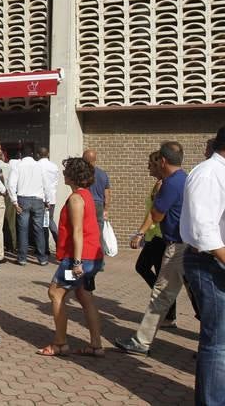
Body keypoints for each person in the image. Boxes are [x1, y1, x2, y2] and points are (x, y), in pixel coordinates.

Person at [116, 141, 187, 356]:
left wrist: (140, 232)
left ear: (163, 161)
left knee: (161, 293)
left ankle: (142, 341)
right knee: (199, 297)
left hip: (177, 247)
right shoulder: (186, 178)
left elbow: (157, 214)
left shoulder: (170, 183)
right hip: (190, 246)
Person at [36, 157, 105, 357]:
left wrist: (76, 263)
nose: (63, 175)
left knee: (55, 293)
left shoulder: (76, 199)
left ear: (73, 176)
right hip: (92, 255)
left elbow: (77, 232)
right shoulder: (86, 195)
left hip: (80, 258)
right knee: (84, 296)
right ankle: (96, 345)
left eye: (66, 172)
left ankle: (59, 343)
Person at [180, 126, 225, 405]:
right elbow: (203, 231)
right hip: (209, 263)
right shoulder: (209, 174)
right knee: (218, 342)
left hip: (216, 260)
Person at [130, 151, 176, 327]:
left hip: (160, 237)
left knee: (152, 272)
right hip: (153, 236)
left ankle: (168, 314)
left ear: (160, 164)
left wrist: (140, 233)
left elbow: (156, 213)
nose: (148, 166)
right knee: (149, 271)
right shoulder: (157, 184)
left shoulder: (163, 185)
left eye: (151, 164)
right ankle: (168, 311)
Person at [8, 146, 50, 266]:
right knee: (39, 229)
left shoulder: (17, 165)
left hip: (23, 199)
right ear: (33, 154)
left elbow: (11, 184)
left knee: (23, 229)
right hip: (38, 199)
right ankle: (42, 258)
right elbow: (46, 185)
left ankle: (22, 258)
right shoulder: (39, 166)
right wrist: (48, 200)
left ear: (21, 155)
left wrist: (14, 202)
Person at [37, 147, 60, 251]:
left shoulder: (36, 166)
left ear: (38, 155)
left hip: (40, 198)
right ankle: (52, 245)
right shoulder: (54, 166)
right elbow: (56, 181)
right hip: (52, 197)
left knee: (44, 223)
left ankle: (48, 246)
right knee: (47, 221)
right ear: (48, 154)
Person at [83, 149, 111, 234]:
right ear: (95, 160)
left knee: (86, 229)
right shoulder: (103, 174)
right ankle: (98, 246)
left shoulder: (83, 174)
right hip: (99, 205)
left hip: (87, 203)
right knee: (99, 231)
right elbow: (107, 194)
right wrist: (106, 210)